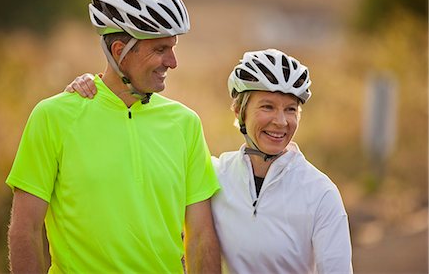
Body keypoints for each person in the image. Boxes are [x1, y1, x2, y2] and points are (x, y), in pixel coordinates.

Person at [68, 48, 353, 273]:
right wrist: (97, 90)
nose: (280, 122)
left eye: (291, 110)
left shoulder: (320, 193)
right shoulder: (214, 175)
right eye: (267, 107)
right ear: (240, 111)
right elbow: (134, 176)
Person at [6, 0, 221, 273]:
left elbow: (200, 237)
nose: (172, 62)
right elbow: (26, 231)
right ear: (120, 50)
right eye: (160, 49)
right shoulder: (53, 117)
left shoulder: (186, 124)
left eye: (173, 48)